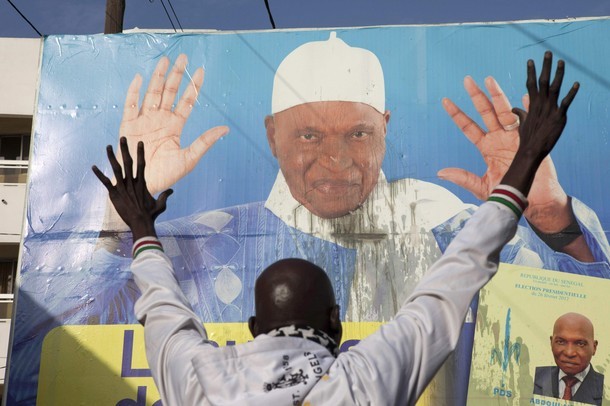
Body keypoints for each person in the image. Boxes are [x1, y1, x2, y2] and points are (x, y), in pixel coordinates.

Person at [94, 51, 579, 405]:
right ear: (336, 323)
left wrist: (134, 222)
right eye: (309, 135)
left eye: (358, 134)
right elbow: (457, 279)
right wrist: (527, 160)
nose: (335, 158)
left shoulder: (201, 382)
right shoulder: (363, 382)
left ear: (253, 329)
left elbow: (162, 312)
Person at [533, 312, 604, 405]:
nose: (569, 353)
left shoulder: (605, 389)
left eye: (580, 343)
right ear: (551, 343)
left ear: (594, 347)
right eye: (561, 342)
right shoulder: (532, 377)